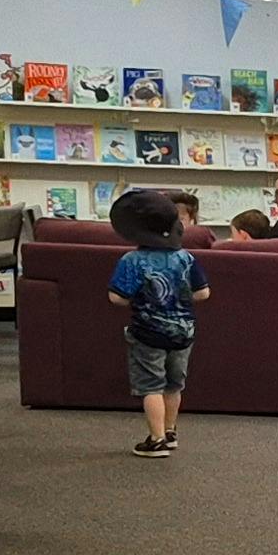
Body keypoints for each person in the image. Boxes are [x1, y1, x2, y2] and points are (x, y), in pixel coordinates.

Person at [106, 190, 208, 455]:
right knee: (174, 385)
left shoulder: (132, 260)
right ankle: (171, 431)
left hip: (147, 332)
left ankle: (156, 438)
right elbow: (203, 292)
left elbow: (117, 297)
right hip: (184, 332)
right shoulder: (186, 257)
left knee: (151, 386)